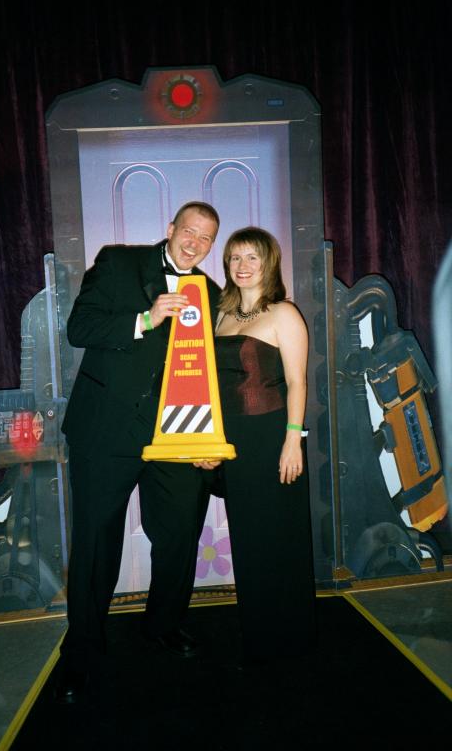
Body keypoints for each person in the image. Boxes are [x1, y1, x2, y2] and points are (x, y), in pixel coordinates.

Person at [55, 201, 221, 703]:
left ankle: (163, 624)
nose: (195, 243)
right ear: (170, 229)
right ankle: (81, 652)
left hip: (177, 436)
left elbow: (211, 373)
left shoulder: (211, 294)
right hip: (107, 431)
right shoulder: (119, 262)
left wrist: (209, 437)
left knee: (179, 534)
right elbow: (79, 329)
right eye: (188, 231)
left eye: (206, 238)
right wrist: (144, 319)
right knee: (95, 543)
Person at [201, 226, 316, 671]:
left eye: (252, 257)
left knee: (279, 537)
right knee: (248, 539)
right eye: (235, 258)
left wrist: (293, 441)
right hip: (234, 442)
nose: (242, 266)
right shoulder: (221, 316)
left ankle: (291, 637)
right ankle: (259, 633)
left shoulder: (284, 313)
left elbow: (297, 382)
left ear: (269, 264)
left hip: (272, 437)